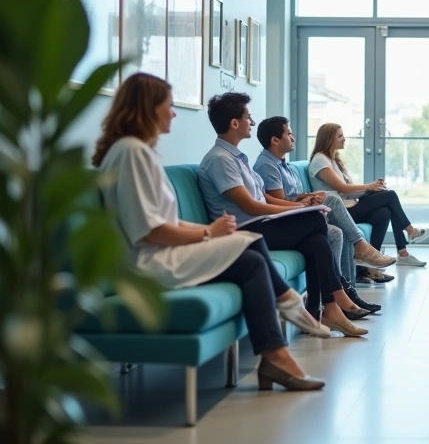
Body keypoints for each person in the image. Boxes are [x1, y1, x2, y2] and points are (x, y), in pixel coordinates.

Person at [93, 73, 325, 391]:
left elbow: (167, 219)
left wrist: (212, 230)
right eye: (169, 106)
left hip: (159, 254)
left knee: (249, 244)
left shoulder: (135, 151)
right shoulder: (132, 153)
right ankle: (284, 326)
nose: (174, 113)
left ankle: (279, 341)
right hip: (147, 265)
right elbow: (152, 231)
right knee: (252, 253)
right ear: (148, 108)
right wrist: (208, 234)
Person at [197, 93, 368, 336]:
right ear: (234, 123)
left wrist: (301, 205)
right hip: (246, 230)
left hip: (261, 224)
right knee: (316, 220)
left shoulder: (237, 157)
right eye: (248, 117)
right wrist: (302, 209)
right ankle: (334, 300)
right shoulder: (220, 159)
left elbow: (263, 197)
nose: (252, 122)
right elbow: (251, 207)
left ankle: (322, 310)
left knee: (316, 241)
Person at [254, 117, 394, 313]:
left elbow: (293, 196)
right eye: (289, 133)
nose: (293, 138)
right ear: (275, 140)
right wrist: (305, 202)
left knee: (337, 232)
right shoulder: (266, 166)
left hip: (297, 212)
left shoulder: (285, 165)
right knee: (334, 199)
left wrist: (309, 197)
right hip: (284, 220)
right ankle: (361, 248)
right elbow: (280, 202)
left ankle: (348, 293)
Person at [308, 123, 429, 269]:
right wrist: (369, 186)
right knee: (390, 195)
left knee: (384, 212)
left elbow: (348, 191)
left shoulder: (334, 160)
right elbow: (342, 188)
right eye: (340, 136)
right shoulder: (319, 161)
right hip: (340, 212)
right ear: (328, 139)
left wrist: (372, 189)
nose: (344, 139)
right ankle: (410, 231)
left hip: (351, 206)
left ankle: (383, 260)